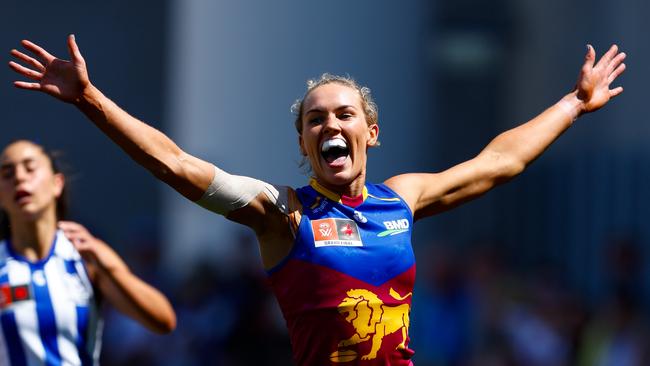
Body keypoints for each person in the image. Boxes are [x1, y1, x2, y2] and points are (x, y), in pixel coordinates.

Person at [9, 35, 625, 365]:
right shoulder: (283, 213)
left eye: (345, 115)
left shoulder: (400, 200)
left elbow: (499, 162)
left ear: (370, 131)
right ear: (304, 142)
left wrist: (574, 102)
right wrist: (91, 101)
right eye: (315, 120)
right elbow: (175, 164)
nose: (331, 126)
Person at [0, 139, 176, 365]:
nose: (19, 177)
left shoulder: (86, 254)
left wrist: (108, 267)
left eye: (30, 168)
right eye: (7, 173)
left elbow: (163, 322)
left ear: (57, 183)